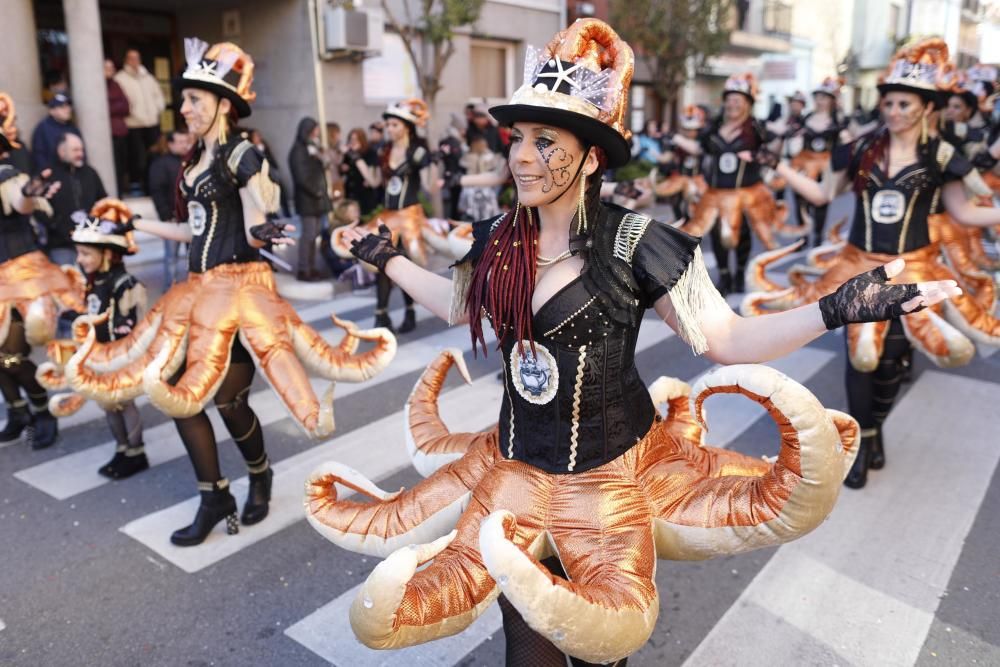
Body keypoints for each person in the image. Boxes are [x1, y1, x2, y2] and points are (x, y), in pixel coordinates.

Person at [324, 19, 960, 665]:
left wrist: (836, 307)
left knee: (600, 644)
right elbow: (460, 302)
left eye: (545, 141)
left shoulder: (636, 243)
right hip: (515, 473)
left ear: (592, 156)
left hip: (610, 484)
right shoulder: (498, 235)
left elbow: (727, 338)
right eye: (518, 137)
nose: (519, 156)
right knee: (526, 646)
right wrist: (389, 260)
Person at [63, 39, 395, 546]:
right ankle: (213, 492)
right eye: (185, 99)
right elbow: (195, 232)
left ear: (223, 104)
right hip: (199, 293)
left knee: (229, 401)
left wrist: (261, 229)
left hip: (239, 297)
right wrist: (140, 224)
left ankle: (258, 474)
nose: (185, 108)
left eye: (195, 99)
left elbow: (259, 208)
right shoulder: (196, 159)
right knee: (179, 392)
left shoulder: (241, 152)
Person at [761, 38, 1000, 489]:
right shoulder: (858, 150)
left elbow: (965, 213)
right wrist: (781, 167)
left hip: (915, 266)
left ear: (925, 106)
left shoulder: (941, 156)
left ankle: (875, 425)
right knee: (859, 357)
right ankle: (864, 438)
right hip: (858, 265)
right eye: (887, 101)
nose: (893, 110)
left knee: (890, 358)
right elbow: (821, 195)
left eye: (903, 102)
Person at [672, 73, 788, 295]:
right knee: (718, 233)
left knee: (743, 232)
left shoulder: (756, 128)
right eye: (730, 98)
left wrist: (769, 151)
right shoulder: (713, 128)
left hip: (746, 192)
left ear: (748, 103)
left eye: (739, 99)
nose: (733, 103)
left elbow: (774, 150)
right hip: (717, 192)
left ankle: (740, 274)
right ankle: (725, 276)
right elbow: (700, 150)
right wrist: (678, 141)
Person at [0, 94, 72, 450]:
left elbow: (21, 202)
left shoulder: (8, 173)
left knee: (11, 356)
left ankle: (42, 411)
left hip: (18, 273)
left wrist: (29, 193)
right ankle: (17, 411)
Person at [71, 199, 148, 478]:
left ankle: (137, 452)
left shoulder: (122, 283)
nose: (80, 260)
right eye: (79, 253)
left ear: (107, 254)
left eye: (86, 254)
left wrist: (117, 357)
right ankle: (122, 448)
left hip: (117, 355)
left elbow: (127, 326)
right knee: (107, 404)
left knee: (124, 402)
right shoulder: (94, 279)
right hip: (97, 352)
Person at [365, 98, 434, 333]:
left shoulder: (417, 152)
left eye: (394, 125)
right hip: (388, 216)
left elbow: (429, 186)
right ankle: (381, 314)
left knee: (404, 265)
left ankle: (410, 312)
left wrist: (432, 162)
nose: (390, 129)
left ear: (406, 126)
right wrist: (357, 161)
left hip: (409, 216)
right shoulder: (383, 152)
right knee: (381, 262)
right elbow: (374, 182)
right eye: (388, 125)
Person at [786, 77, 850, 245]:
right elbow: (793, 138)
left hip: (825, 168)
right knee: (800, 199)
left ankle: (817, 236)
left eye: (825, 97)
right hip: (803, 165)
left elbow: (847, 144)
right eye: (818, 97)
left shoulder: (838, 122)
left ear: (832, 100)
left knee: (821, 201)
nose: (820, 101)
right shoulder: (805, 118)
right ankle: (803, 235)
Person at [40, 133, 108, 268]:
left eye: (81, 150)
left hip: (91, 241)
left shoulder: (90, 173)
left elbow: (103, 201)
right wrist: (57, 225)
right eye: (75, 150)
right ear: (62, 151)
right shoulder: (49, 175)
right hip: (62, 245)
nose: (80, 154)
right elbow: (40, 209)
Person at [114, 49, 166, 194]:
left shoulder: (148, 77)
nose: (134, 61)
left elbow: (158, 95)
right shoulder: (120, 78)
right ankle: (137, 185)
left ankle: (153, 184)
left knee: (154, 155)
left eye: (137, 58)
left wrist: (158, 109)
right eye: (131, 58)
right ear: (126, 60)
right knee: (136, 158)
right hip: (133, 124)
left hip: (152, 122)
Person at [289, 117, 332, 281]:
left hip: (315, 199)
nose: (317, 133)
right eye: (314, 129)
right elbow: (302, 177)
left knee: (314, 235)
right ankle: (303, 269)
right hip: (308, 199)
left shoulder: (311, 147)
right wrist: (317, 191)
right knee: (308, 235)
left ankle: (311, 267)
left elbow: (324, 165)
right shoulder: (298, 150)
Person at [148, 130, 191, 287]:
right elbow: (157, 191)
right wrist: (165, 214)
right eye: (179, 142)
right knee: (171, 256)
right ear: (170, 144)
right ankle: (170, 288)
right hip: (172, 217)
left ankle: (193, 286)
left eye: (185, 141)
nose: (184, 145)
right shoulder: (161, 164)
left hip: (191, 216)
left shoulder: (191, 161)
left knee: (192, 254)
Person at [30, 93, 81, 172]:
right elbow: (39, 156)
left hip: (74, 175)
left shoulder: (73, 129)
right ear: (52, 111)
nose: (67, 109)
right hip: (52, 176)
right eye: (62, 107)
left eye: (68, 106)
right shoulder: (42, 129)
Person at [458, 133, 501, 221]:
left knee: (477, 210)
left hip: (477, 186)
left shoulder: (486, 156)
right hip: (477, 186)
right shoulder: (470, 156)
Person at [105, 58, 131, 194]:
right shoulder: (98, 84)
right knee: (113, 165)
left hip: (121, 131)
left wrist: (113, 107)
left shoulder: (116, 84)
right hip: (108, 133)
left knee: (123, 165)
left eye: (112, 68)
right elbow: (102, 108)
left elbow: (126, 106)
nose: (110, 71)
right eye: (107, 68)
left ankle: (122, 190)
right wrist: (116, 107)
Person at [339, 127, 379, 215]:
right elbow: (342, 170)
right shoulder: (348, 154)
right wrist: (343, 168)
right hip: (351, 192)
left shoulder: (369, 152)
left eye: (356, 139)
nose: (353, 142)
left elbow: (372, 172)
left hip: (364, 194)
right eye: (351, 139)